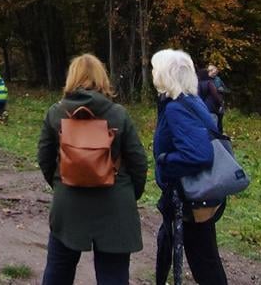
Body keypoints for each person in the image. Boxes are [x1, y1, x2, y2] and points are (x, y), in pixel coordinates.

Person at [36, 54, 147, 285]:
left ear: (71, 77)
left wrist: (62, 183)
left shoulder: (55, 113)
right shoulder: (119, 114)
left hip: (69, 206)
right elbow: (138, 162)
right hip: (115, 206)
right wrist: (127, 193)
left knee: (58, 271)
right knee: (113, 276)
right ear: (102, 78)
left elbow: (45, 159)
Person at [152, 49, 228, 285]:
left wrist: (165, 161)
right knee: (167, 241)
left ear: (165, 74)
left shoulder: (178, 108)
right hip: (190, 193)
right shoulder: (189, 101)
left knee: (204, 262)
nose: (153, 73)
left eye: (155, 69)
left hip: (189, 196)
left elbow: (199, 155)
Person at [198, 64, 226, 133]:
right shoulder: (209, 83)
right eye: (212, 72)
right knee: (213, 127)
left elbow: (225, 89)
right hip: (212, 107)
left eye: (215, 72)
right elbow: (215, 95)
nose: (214, 73)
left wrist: (222, 90)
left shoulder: (198, 83)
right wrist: (220, 103)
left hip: (203, 106)